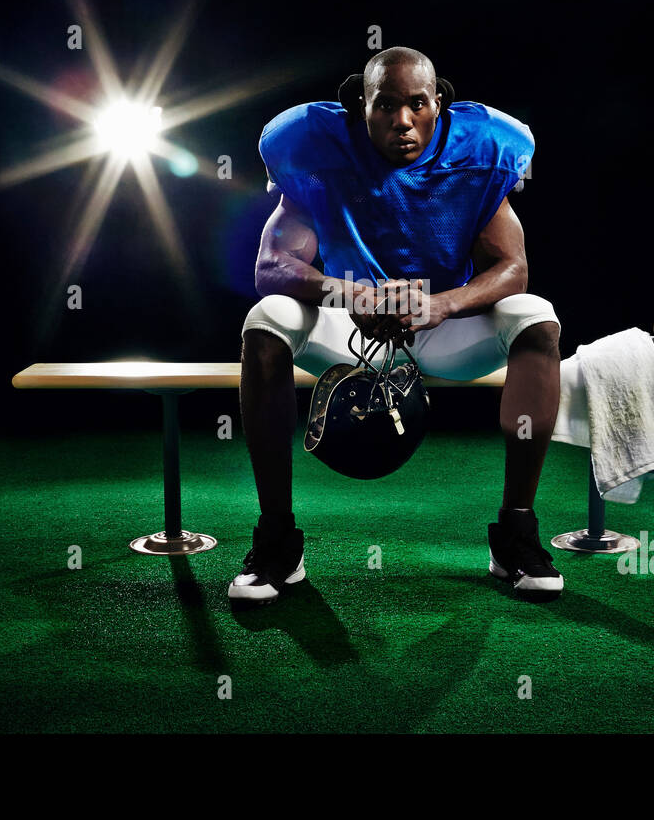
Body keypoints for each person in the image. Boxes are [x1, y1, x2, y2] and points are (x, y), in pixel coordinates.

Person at [233, 46, 563, 605]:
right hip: (347, 322)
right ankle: (277, 540)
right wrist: (345, 291)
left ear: (439, 104)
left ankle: (515, 533)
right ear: (361, 107)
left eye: (417, 104)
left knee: (536, 318)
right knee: (265, 320)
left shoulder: (479, 150)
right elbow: (271, 267)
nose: (402, 121)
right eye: (385, 105)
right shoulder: (319, 149)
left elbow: (514, 268)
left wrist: (445, 304)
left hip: (440, 326)